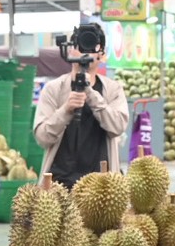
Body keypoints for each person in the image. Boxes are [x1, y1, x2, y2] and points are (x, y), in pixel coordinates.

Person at [34, 23, 129, 187]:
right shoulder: (53, 89)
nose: (86, 51)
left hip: (102, 187)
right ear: (71, 50)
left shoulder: (113, 89)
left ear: (101, 54)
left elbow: (118, 127)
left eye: (92, 45)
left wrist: (91, 95)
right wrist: (65, 110)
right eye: (81, 45)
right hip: (59, 184)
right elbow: (42, 138)